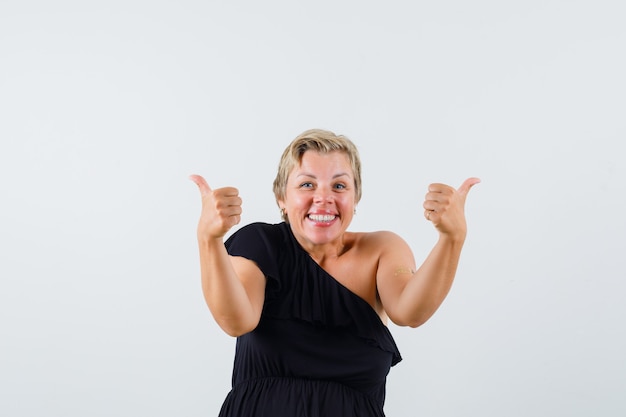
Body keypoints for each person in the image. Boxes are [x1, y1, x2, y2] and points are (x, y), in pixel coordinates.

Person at [189, 128, 479, 417]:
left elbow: (410, 312)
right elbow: (236, 321)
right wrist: (209, 239)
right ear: (282, 198)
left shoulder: (382, 248)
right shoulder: (261, 243)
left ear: (356, 198)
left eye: (339, 186)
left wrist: (451, 238)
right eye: (307, 185)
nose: (324, 198)